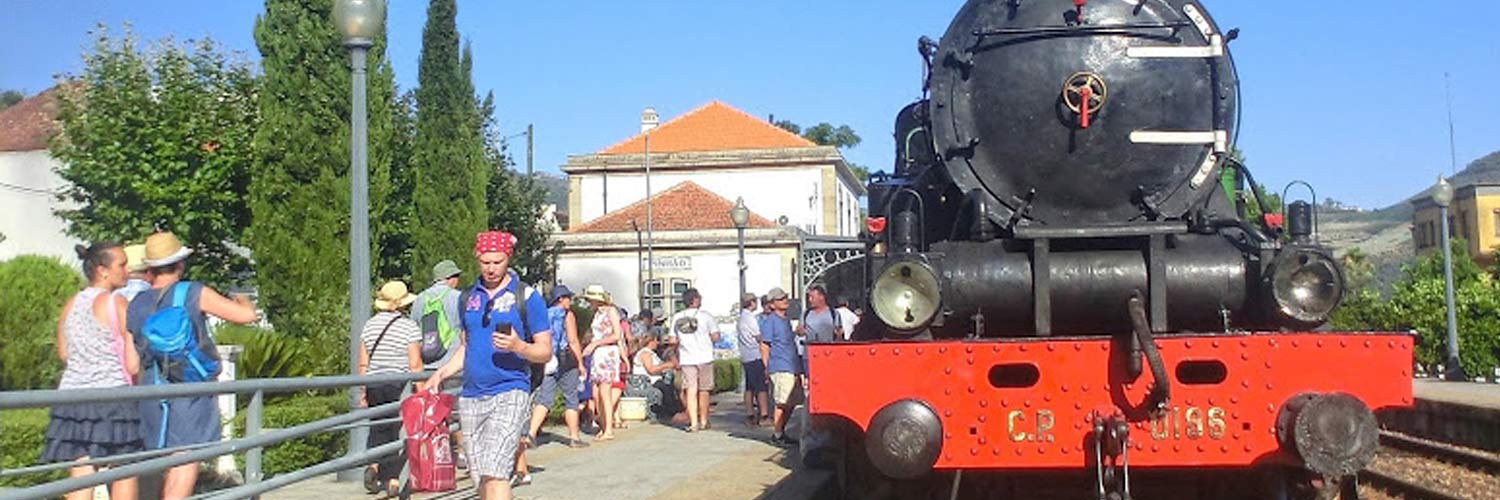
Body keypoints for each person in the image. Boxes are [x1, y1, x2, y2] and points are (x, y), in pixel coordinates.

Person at [128, 232, 257, 500]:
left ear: (149, 268)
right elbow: (246, 316)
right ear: (180, 264)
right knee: (186, 457)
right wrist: (241, 298)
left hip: (151, 389)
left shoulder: (137, 303)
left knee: (153, 458)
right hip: (191, 387)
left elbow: (132, 360)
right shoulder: (193, 292)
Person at [425, 230, 552, 500]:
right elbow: (466, 346)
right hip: (472, 395)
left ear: (508, 258)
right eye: (486, 262)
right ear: (477, 258)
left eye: (498, 262)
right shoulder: (467, 298)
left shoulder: (527, 297)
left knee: (496, 470)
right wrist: (443, 372)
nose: (492, 268)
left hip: (510, 390)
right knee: (480, 476)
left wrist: (519, 347)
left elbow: (545, 351)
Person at [42, 242, 143, 500]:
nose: (127, 270)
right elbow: (133, 363)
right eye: (121, 264)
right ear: (103, 270)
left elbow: (65, 353)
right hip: (112, 396)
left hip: (72, 398)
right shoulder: (117, 303)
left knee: (81, 470)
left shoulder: (72, 303)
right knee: (124, 468)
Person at [358, 281, 424, 496]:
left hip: (374, 382)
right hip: (399, 384)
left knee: (378, 426)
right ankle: (393, 479)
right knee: (397, 430)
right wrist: (422, 391)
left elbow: (363, 363)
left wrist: (362, 390)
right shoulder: (408, 326)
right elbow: (415, 363)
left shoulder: (369, 325)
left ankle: (374, 465)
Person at [527, 285, 588, 448]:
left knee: (544, 398)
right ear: (561, 299)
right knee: (571, 398)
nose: (570, 301)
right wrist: (580, 363)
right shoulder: (567, 315)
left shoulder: (544, 314)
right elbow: (573, 340)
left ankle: (531, 433)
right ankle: (574, 437)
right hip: (566, 359)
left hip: (547, 360)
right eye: (568, 298)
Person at [669, 288, 720, 432]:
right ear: (696, 300)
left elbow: (672, 339)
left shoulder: (677, 317)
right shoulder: (706, 316)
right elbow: (716, 336)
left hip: (687, 357)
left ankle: (693, 423)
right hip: (705, 357)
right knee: (704, 390)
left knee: (690, 389)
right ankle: (704, 420)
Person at [577, 285, 623, 441]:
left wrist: (595, 344)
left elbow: (617, 335)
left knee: (605, 390)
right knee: (596, 392)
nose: (589, 302)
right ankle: (604, 425)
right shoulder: (596, 313)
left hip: (607, 351)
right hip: (598, 353)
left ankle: (608, 428)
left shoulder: (611, 311)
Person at [760, 287, 801, 445]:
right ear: (771, 304)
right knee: (782, 402)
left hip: (791, 364)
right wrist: (766, 366)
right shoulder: (771, 321)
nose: (785, 300)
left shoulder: (785, 320)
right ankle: (777, 434)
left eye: (785, 297)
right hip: (780, 365)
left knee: (791, 401)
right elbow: (765, 345)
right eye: (780, 299)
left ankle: (781, 431)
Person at [627, 330, 679, 421]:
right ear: (652, 341)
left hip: (656, 379)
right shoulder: (645, 353)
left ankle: (675, 410)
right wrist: (665, 365)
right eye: (656, 340)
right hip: (648, 381)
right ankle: (672, 413)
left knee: (671, 384)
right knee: (666, 388)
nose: (658, 343)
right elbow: (651, 370)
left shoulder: (652, 353)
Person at [736, 292, 770, 427]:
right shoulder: (750, 318)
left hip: (745, 355)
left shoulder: (741, 318)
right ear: (751, 303)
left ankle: (750, 414)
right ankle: (764, 415)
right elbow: (758, 336)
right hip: (754, 355)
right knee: (761, 387)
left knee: (749, 387)